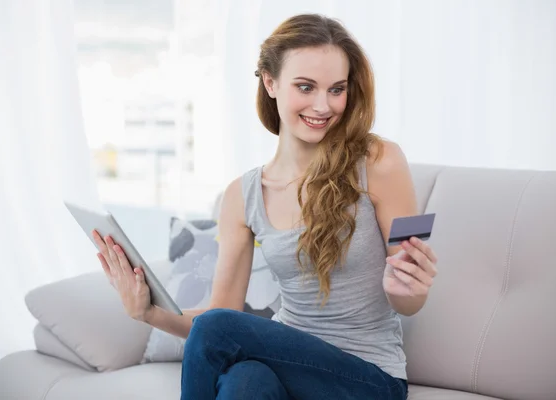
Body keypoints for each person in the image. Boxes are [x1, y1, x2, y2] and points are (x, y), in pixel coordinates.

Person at [93, 13, 438, 400]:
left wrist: (407, 287)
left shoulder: (381, 160)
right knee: (244, 382)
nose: (323, 106)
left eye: (336, 89)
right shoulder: (243, 196)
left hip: (367, 379)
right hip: (285, 366)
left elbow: (411, 298)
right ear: (270, 83)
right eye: (305, 87)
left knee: (220, 332)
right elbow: (220, 313)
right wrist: (147, 312)